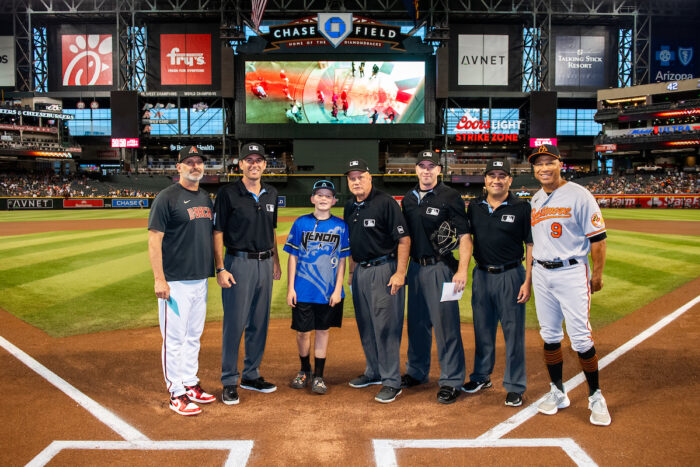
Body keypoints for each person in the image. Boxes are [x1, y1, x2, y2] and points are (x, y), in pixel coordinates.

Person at [528, 144, 611, 426]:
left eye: (549, 162)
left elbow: (598, 239)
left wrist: (597, 274)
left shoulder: (579, 194)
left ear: (560, 163)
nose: (544, 168)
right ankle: (557, 391)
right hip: (541, 272)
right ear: (534, 169)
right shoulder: (536, 199)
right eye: (538, 163)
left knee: (580, 338)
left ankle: (595, 396)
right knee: (550, 335)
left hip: (571, 272)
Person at [147, 145, 215, 416]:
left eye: (198, 162)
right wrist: (159, 279)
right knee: (174, 339)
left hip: (200, 279)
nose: (195, 166)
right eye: (189, 162)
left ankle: (189, 382)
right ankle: (175, 392)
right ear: (179, 167)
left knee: (194, 336)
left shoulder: (205, 198)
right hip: (175, 283)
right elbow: (154, 239)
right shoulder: (167, 197)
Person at [214, 142, 282, 405]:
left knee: (259, 322)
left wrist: (275, 261)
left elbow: (272, 230)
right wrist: (220, 268)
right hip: (238, 263)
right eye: (248, 160)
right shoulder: (228, 193)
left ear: (265, 164)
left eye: (259, 160)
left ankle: (251, 375)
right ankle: (229, 380)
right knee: (235, 323)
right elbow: (217, 231)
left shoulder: (271, 193)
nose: (254, 164)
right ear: (240, 164)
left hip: (265, 262)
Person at [462, 159, 533, 408]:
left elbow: (530, 245)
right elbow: (466, 239)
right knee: (482, 330)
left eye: (502, 175)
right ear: (485, 180)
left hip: (511, 275)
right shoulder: (475, 208)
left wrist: (528, 280)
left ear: (509, 180)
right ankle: (481, 377)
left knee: (513, 334)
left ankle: (514, 386)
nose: (496, 180)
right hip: (481, 275)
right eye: (492, 175)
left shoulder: (522, 207)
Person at [400, 150, 468, 405]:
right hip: (415, 268)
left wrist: (461, 269)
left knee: (445, 326)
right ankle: (417, 372)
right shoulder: (408, 199)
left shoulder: (450, 196)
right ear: (416, 169)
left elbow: (464, 236)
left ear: (439, 170)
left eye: (431, 166)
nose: (426, 170)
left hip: (441, 268)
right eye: (422, 166)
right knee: (417, 324)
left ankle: (452, 380)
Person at [344, 159, 410, 403]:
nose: (356, 181)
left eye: (360, 176)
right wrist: (351, 274)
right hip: (360, 271)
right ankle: (373, 371)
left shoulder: (386, 202)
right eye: (352, 178)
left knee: (386, 326)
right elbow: (351, 244)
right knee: (366, 325)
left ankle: (392, 380)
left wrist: (400, 273)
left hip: (384, 269)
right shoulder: (350, 206)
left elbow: (404, 240)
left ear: (370, 177)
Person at [284, 180, 350, 395]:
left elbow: (342, 260)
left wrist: (338, 288)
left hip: (328, 291)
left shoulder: (341, 226)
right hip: (303, 289)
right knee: (303, 332)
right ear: (312, 199)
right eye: (319, 195)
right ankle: (305, 370)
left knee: (323, 331)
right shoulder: (301, 223)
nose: (323, 199)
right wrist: (290, 288)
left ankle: (319, 376)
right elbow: (293, 257)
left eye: (328, 195)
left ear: (334, 200)